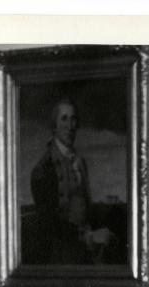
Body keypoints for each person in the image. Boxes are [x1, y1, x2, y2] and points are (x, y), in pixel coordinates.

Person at [26, 97, 115, 265]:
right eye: (64, 119)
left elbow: (85, 209)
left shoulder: (79, 163)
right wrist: (89, 236)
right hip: (59, 256)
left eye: (73, 119)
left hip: (84, 252)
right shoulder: (43, 170)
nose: (70, 125)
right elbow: (49, 224)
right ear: (54, 125)